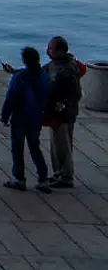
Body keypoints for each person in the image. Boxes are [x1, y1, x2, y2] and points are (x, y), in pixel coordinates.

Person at [2, 46, 53, 192]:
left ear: (24, 60)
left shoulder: (20, 78)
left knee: (17, 149)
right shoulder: (43, 75)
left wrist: (5, 116)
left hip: (20, 118)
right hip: (36, 117)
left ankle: (19, 179)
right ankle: (43, 180)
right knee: (35, 147)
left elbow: (11, 98)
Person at [45, 36, 84, 188]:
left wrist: (64, 104)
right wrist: (16, 72)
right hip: (55, 111)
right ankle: (58, 173)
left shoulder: (68, 69)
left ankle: (66, 177)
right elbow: (39, 73)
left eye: (51, 48)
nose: (48, 51)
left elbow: (76, 93)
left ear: (60, 51)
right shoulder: (55, 64)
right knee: (56, 145)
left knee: (63, 145)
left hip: (64, 112)